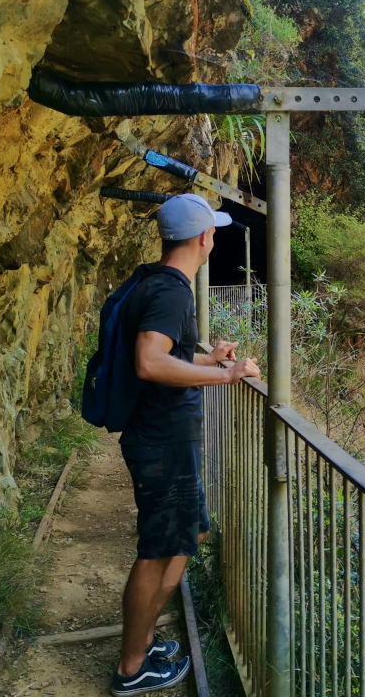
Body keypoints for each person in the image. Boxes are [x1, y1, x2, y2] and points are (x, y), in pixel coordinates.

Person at [111, 193, 260, 697]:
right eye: (213, 231)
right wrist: (230, 375)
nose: (214, 237)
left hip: (163, 439)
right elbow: (150, 362)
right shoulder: (172, 290)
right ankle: (132, 668)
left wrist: (208, 359)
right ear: (203, 238)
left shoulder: (155, 281)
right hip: (161, 444)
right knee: (157, 551)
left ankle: (145, 639)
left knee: (189, 535)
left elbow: (166, 355)